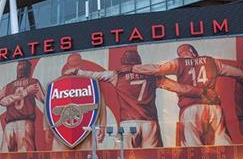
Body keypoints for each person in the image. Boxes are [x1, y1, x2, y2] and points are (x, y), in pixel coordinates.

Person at [66, 49, 215, 148]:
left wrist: (76, 71)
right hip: (151, 124)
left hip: (127, 123)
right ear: (138, 63)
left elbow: (94, 75)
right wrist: (203, 92)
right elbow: (180, 88)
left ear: (124, 64)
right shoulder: (153, 76)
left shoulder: (116, 75)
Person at [132, 43, 243, 147]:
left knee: (192, 145)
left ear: (181, 54)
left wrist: (135, 68)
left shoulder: (178, 62)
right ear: (193, 52)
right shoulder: (211, 61)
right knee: (221, 140)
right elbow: (241, 74)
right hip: (213, 106)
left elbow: (157, 69)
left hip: (190, 108)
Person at [0, 61, 44, 152]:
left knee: (5, 156)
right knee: (26, 155)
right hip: (25, 123)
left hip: (9, 125)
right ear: (29, 71)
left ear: (17, 71)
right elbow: (45, 100)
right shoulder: (33, 82)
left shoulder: (9, 86)